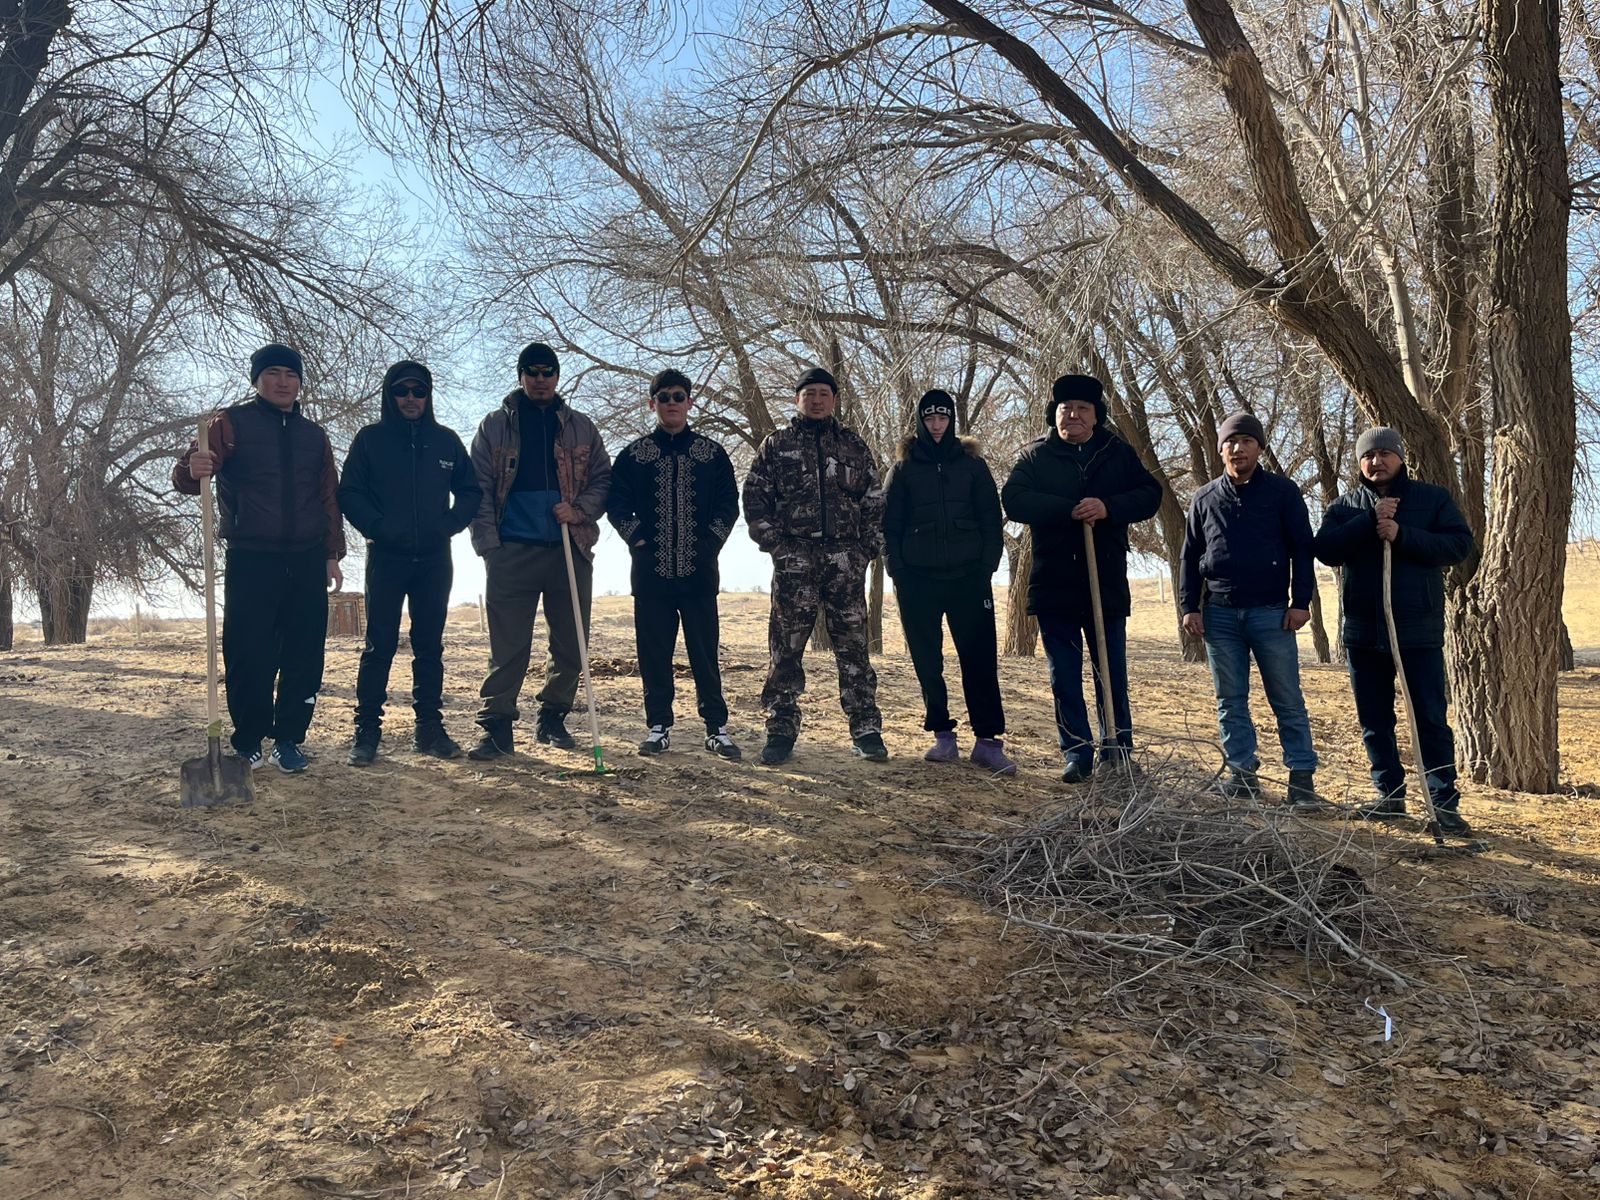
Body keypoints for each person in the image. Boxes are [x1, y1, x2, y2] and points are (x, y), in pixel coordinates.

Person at [173, 342, 345, 773]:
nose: (283, 382)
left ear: (300, 382)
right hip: (251, 556)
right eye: (273, 373)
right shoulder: (230, 423)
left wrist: (332, 554)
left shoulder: (314, 436)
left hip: (306, 557)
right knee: (249, 652)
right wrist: (192, 468)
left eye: (291, 374)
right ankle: (249, 739)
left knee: (304, 652)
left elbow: (328, 496)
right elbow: (188, 478)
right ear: (257, 380)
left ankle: (289, 739)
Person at [1313, 427, 1475, 835]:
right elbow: (1326, 549)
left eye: (1385, 453)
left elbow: (1458, 546)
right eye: (1368, 456)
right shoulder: (1344, 506)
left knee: (1430, 718)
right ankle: (1389, 796)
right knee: (1375, 719)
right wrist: (1369, 521)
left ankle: (1443, 803)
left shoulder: (1432, 499)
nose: (1376, 461)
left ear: (1400, 457)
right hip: (1364, 631)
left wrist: (1402, 535)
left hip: (1417, 629)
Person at [1001, 374, 1160, 782]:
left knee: (1112, 671)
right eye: (1066, 408)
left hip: (1105, 583)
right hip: (1055, 584)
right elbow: (1014, 499)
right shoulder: (1036, 457)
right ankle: (1076, 752)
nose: (1073, 415)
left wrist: (1107, 507)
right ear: (1054, 414)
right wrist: (1067, 509)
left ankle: (1117, 749)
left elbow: (1150, 495)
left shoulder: (1116, 453)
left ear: (1096, 415)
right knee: (1064, 675)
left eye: (1082, 408)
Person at [466, 342, 611, 760]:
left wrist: (579, 510)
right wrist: (489, 547)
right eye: (532, 371)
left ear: (557, 376)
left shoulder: (581, 427)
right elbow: (477, 488)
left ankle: (552, 718)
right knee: (508, 647)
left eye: (548, 371)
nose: (540, 379)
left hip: (569, 548)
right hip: (511, 550)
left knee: (571, 644)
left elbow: (603, 479)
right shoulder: (495, 426)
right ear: (521, 376)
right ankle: (497, 728)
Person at [337, 360, 482, 766]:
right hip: (387, 557)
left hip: (434, 559)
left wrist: (448, 525)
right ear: (390, 395)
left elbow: (470, 491)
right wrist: (378, 527)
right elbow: (349, 493)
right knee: (379, 645)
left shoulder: (446, 441)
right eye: (402, 391)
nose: (411, 398)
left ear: (428, 396)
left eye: (419, 391)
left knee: (429, 646)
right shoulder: (370, 440)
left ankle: (429, 730)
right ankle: (367, 731)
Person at [743, 366, 887, 765]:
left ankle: (866, 729)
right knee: (785, 651)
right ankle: (780, 729)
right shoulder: (777, 445)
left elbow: (874, 502)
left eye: (824, 393)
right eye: (810, 394)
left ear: (834, 399)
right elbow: (755, 499)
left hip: (845, 563)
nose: (817, 400)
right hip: (795, 563)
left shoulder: (853, 446)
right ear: (798, 400)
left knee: (854, 649)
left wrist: (864, 551)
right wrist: (778, 547)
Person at [1180, 411, 1325, 808]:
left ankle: (1302, 779)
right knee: (1230, 700)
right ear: (1220, 449)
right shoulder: (1204, 498)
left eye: (1246, 441)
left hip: (1272, 614)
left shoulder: (1283, 493)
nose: (1238, 448)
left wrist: (1301, 602)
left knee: (1287, 699)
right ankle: (1242, 774)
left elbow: (1302, 549)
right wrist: (1190, 606)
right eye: (1230, 441)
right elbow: (1189, 556)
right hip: (1220, 615)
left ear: (1259, 448)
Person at [606, 369, 742, 759]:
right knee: (654, 654)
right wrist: (638, 539)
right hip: (651, 575)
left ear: (689, 402)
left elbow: (728, 504)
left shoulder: (711, 453)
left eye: (678, 396)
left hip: (699, 574)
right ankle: (658, 726)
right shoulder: (634, 455)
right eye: (663, 397)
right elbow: (615, 502)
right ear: (652, 403)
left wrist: (710, 544)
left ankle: (716, 728)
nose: (671, 403)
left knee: (704, 653)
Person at [884, 389, 1014, 774]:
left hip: (968, 579)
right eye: (930, 418)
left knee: (980, 661)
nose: (936, 425)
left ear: (952, 421)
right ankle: (943, 735)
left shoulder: (973, 465)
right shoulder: (904, 468)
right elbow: (889, 524)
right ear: (920, 421)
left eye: (942, 418)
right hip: (918, 580)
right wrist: (897, 570)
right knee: (927, 661)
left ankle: (987, 743)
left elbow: (990, 517)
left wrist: (986, 566)